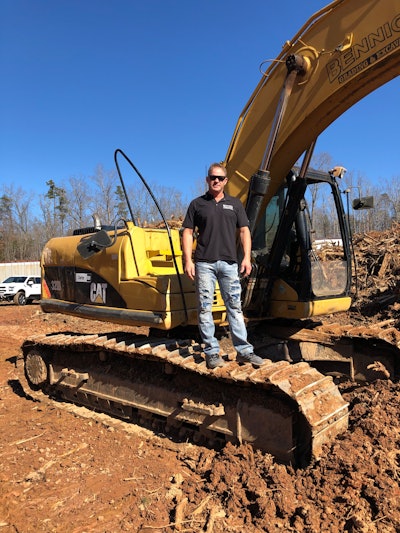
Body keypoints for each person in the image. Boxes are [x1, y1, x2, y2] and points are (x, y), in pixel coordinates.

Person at [182, 162, 264, 369]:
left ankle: (244, 351)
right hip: (204, 264)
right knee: (205, 308)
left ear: (226, 181)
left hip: (229, 264)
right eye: (212, 177)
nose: (216, 180)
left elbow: (245, 231)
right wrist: (188, 260)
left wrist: (246, 258)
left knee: (234, 308)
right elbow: (187, 232)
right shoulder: (197, 204)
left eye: (219, 178)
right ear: (207, 179)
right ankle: (211, 352)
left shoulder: (235, 204)